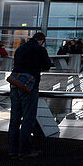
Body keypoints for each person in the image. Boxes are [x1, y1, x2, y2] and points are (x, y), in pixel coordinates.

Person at [8, 31, 52, 159]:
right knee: (28, 118)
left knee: (15, 119)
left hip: (15, 84)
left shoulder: (20, 48)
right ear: (42, 41)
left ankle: (13, 150)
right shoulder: (40, 50)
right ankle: (24, 150)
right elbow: (47, 65)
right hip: (28, 87)